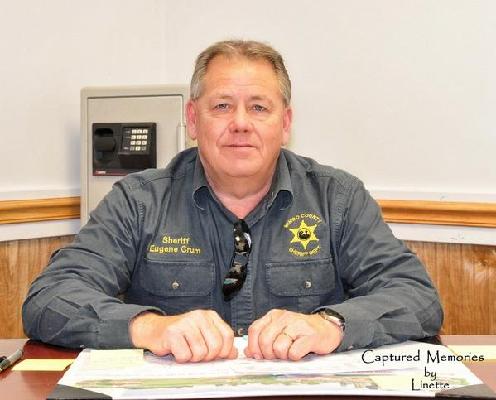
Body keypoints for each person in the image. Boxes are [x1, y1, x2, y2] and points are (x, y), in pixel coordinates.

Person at [23, 40, 443, 363]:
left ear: (285, 123)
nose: (240, 123)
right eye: (222, 106)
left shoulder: (337, 198)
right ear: (192, 120)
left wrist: (331, 325)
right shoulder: (138, 201)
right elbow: (50, 298)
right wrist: (149, 328)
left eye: (259, 107)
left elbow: (416, 296)